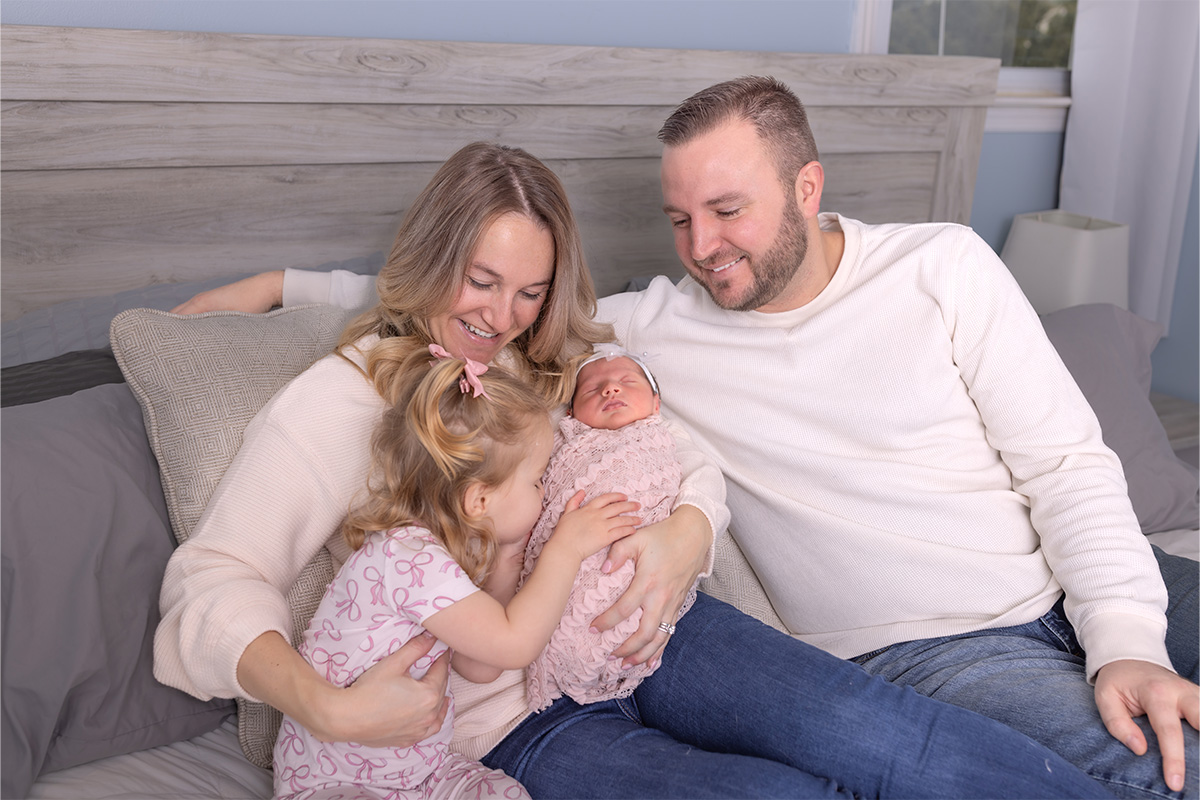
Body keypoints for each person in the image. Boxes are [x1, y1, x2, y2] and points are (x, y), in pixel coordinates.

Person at [162, 140, 1115, 799]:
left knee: (882, 736)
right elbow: (212, 580)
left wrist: (686, 531)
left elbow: (679, 450)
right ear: (430, 261)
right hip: (513, 723)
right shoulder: (345, 398)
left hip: (648, 630)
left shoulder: (547, 357)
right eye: (483, 284)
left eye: (530, 292)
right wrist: (326, 704)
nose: (501, 318)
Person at [273, 350, 638, 800]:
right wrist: (566, 548)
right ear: (479, 501)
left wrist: (506, 558)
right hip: (337, 785)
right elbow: (514, 643)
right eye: (538, 479)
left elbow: (479, 665)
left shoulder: (437, 554)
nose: (545, 491)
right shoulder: (408, 557)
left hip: (421, 774)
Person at [521, 344, 691, 712]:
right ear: (571, 413)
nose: (610, 389)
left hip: (651, 573)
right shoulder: (563, 447)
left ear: (656, 403)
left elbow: (692, 487)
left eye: (627, 381)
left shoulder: (665, 440)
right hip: (564, 566)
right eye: (592, 389)